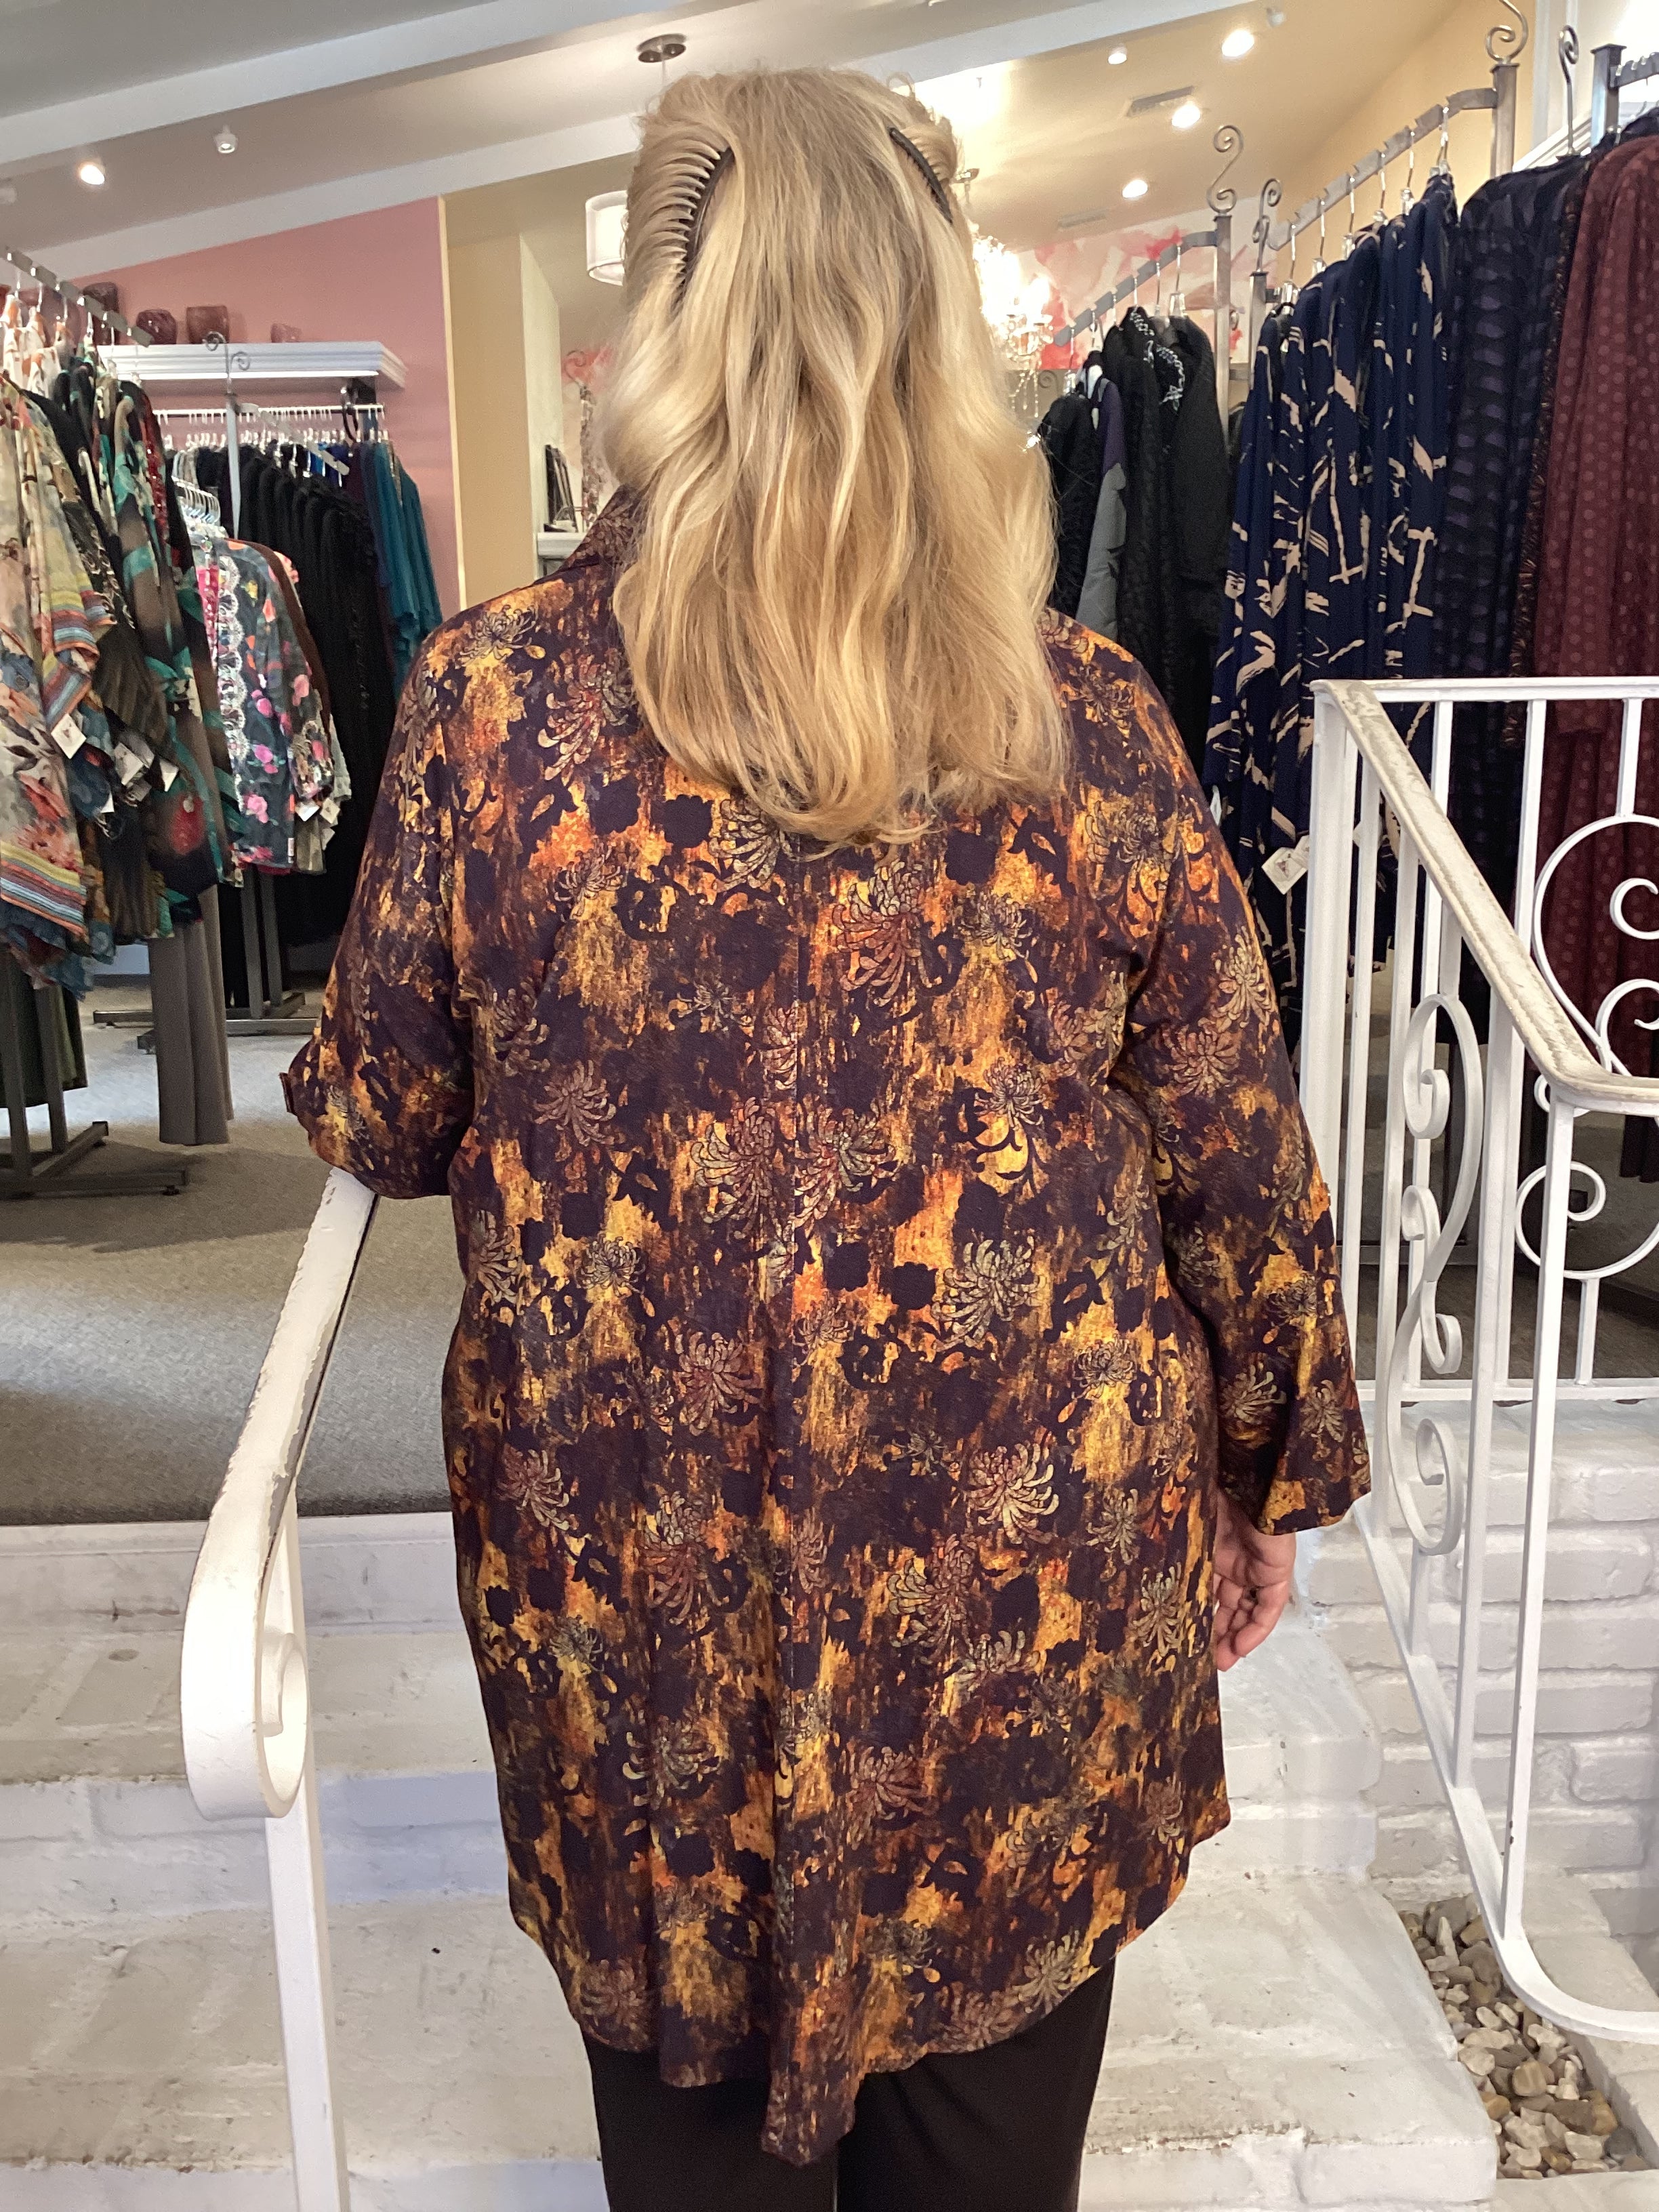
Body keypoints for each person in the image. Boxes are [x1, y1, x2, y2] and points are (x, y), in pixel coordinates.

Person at [285, 64, 1369, 2212]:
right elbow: (1241, 1164)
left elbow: (381, 1109)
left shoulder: (489, 711)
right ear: (940, 339)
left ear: (655, 339)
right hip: (1015, 1600)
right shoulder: (1087, 721)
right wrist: (1270, 1471)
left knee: (689, 2156)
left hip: (641, 1611)